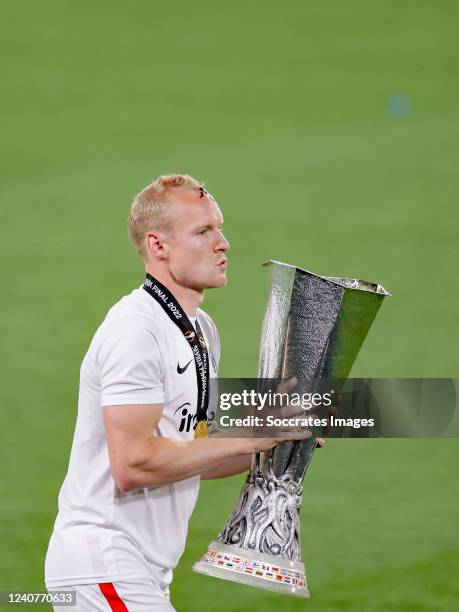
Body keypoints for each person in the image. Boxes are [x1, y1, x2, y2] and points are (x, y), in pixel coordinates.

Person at [44, 174, 317, 611]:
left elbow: (189, 457)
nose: (223, 243)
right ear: (158, 246)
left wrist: (279, 438)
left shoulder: (200, 331)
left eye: (220, 228)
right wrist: (252, 436)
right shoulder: (137, 330)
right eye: (204, 232)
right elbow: (133, 464)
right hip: (105, 564)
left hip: (141, 571)